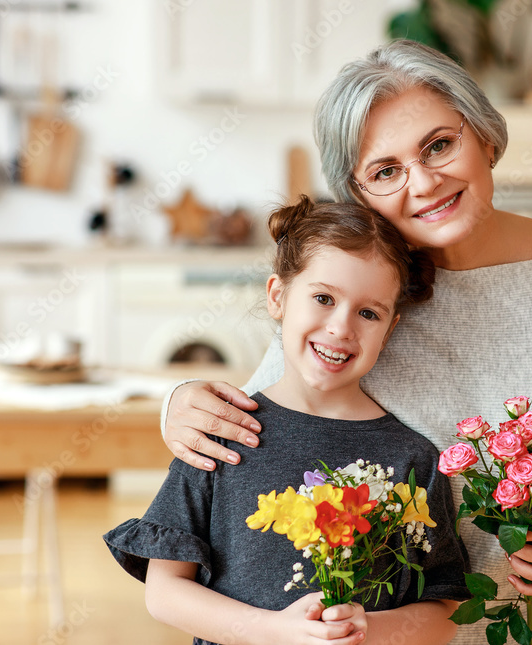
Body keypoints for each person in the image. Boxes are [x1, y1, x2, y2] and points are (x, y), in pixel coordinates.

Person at [160, 40, 532, 644]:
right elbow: (260, 421)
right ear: (358, 193)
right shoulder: (363, 297)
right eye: (385, 171)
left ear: (484, 135)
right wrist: (180, 403)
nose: (423, 182)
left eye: (439, 145)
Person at [104, 196, 470, 645]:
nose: (341, 327)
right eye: (323, 298)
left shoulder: (413, 457)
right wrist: (275, 632)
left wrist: (370, 629)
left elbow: (445, 607)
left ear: (389, 328)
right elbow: (164, 591)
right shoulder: (223, 433)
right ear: (278, 296)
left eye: (368, 313)